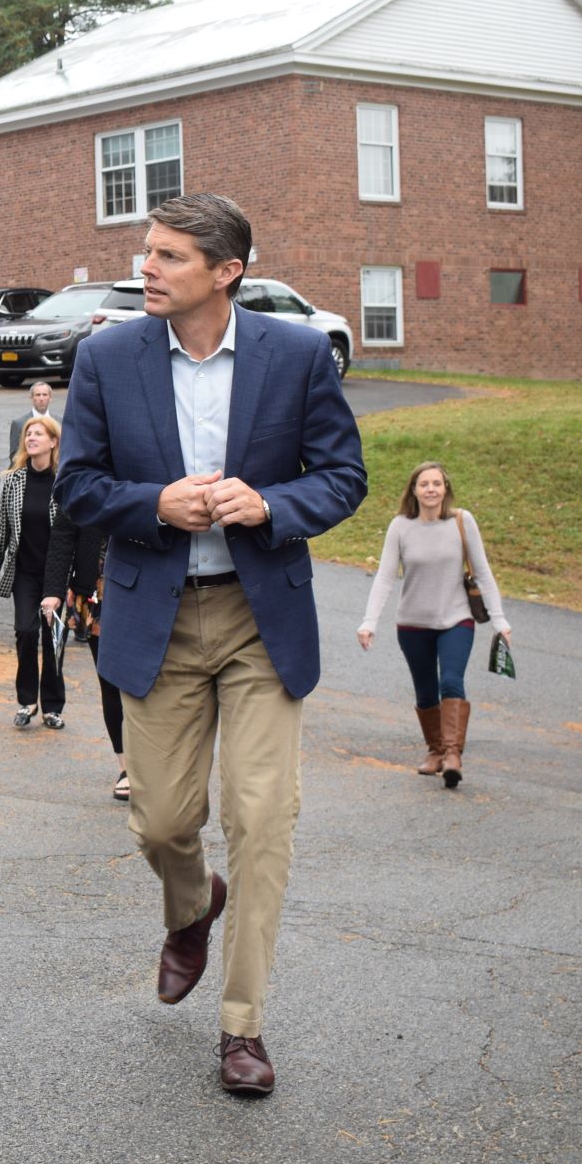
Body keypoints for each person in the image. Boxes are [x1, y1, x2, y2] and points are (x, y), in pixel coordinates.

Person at [55, 192, 366, 1097]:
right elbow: (77, 484)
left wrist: (272, 504)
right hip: (155, 610)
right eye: (145, 252)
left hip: (259, 614)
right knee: (159, 820)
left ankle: (242, 1026)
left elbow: (344, 475)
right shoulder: (107, 356)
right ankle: (191, 905)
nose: (145, 268)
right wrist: (154, 503)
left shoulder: (300, 355)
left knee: (262, 819)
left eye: (168, 256)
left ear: (226, 271)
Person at [357, 461, 511, 788]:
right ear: (414, 490)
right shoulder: (400, 527)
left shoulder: (462, 521)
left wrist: (500, 621)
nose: (430, 489)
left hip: (456, 619)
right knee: (425, 689)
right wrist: (369, 622)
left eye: (437, 484)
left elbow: (483, 573)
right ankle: (435, 751)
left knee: (451, 681)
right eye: (424, 484)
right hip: (412, 624)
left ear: (445, 489)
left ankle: (453, 755)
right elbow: (385, 578)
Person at [0, 413, 72, 728]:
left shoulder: (65, 480)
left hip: (57, 574)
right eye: (28, 434)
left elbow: (79, 531)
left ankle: (52, 706)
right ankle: (26, 701)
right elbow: (2, 530)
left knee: (53, 639)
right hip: (24, 571)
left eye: (38, 434)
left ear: (53, 442)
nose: (31, 438)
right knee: (26, 631)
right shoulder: (15, 481)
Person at [66, 521, 130, 801]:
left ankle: (156, 764)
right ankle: (126, 767)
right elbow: (64, 532)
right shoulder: (90, 478)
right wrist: (55, 588)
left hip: (148, 590)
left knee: (156, 683)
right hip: (96, 595)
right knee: (110, 682)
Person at [8, 381, 55, 458]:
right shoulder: (19, 424)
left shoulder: (60, 422)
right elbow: (14, 456)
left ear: (50, 398)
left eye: (45, 395)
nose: (41, 398)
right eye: (38, 395)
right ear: (31, 398)